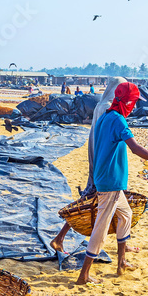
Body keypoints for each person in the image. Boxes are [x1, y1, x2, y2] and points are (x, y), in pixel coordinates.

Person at [75, 82, 148, 285]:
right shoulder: (118, 121)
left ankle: (122, 261)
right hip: (110, 182)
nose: (134, 107)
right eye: (133, 102)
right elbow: (135, 148)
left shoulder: (106, 116)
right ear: (127, 102)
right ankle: (84, 275)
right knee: (101, 228)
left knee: (126, 215)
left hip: (107, 179)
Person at [51, 78, 128, 254]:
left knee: (112, 207)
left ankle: (123, 244)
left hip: (101, 160)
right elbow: (104, 138)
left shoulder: (103, 104)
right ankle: (60, 237)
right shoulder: (107, 107)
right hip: (103, 163)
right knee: (89, 203)